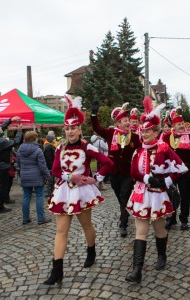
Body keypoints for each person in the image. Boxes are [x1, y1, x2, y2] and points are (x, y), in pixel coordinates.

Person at [44, 96, 113, 285]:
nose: (70, 131)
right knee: (61, 231)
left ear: (80, 129)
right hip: (65, 190)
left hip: (82, 192)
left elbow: (108, 163)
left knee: (86, 226)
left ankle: (91, 250)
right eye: (67, 128)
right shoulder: (60, 148)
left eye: (73, 128)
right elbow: (55, 170)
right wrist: (70, 177)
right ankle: (57, 271)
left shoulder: (86, 146)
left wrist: (96, 178)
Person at [125, 97, 188, 283]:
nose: (144, 134)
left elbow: (180, 168)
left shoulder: (164, 149)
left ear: (155, 131)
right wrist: (146, 178)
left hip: (158, 195)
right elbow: (133, 172)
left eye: (148, 131)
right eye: (142, 131)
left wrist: (166, 181)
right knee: (140, 230)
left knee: (159, 229)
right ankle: (137, 270)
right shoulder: (138, 151)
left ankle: (162, 255)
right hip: (141, 193)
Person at [91, 101, 141, 237]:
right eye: (124, 121)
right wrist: (94, 114)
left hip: (128, 174)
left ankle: (123, 224)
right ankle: (125, 209)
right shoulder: (111, 133)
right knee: (120, 198)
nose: (127, 123)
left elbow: (142, 151)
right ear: (118, 123)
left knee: (124, 197)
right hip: (113, 173)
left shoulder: (135, 137)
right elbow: (96, 128)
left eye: (128, 121)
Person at [162, 107, 190, 230]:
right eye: (178, 124)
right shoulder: (166, 137)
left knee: (185, 196)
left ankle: (184, 219)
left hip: (185, 172)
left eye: (182, 123)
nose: (181, 126)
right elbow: (161, 154)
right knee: (171, 196)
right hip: (170, 173)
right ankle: (171, 218)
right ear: (173, 125)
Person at [17, 131, 52, 225]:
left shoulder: (20, 149)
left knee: (26, 197)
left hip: (24, 175)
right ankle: (41, 218)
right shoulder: (38, 150)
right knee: (39, 196)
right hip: (37, 176)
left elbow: (19, 164)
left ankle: (25, 218)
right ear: (34, 139)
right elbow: (42, 165)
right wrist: (47, 176)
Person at [0, 116, 22, 213]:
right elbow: (15, 142)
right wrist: (19, 131)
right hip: (3, 165)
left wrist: (11, 120)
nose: (0, 127)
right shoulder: (1, 141)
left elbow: (1, 127)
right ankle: (0, 206)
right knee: (2, 187)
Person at [43, 133, 57, 198]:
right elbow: (49, 158)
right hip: (50, 167)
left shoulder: (51, 146)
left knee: (52, 180)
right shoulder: (48, 147)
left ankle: (51, 192)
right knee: (50, 180)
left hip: (52, 166)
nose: (55, 139)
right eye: (54, 138)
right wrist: (52, 166)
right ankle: (48, 193)